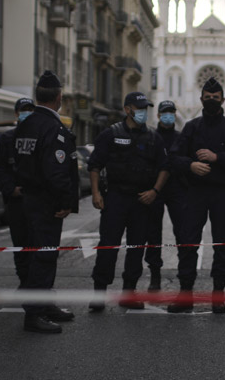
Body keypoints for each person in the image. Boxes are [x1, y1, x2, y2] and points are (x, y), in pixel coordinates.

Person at [168, 77, 225, 314]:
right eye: (207, 98)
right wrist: (191, 166)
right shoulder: (192, 127)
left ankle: (218, 293)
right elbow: (174, 158)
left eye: (215, 98)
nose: (211, 101)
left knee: (221, 244)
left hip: (222, 194)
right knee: (188, 243)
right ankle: (185, 294)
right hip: (194, 193)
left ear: (223, 100)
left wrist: (218, 158)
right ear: (201, 99)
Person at [88, 92, 169, 311]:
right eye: (139, 108)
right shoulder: (111, 134)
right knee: (108, 247)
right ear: (127, 109)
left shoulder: (154, 137)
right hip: (115, 198)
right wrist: (96, 193)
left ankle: (129, 292)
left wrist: (154, 191)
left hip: (141, 201)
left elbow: (164, 167)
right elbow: (94, 165)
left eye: (145, 108)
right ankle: (99, 293)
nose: (144, 112)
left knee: (136, 248)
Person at [13, 71, 79, 334]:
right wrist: (65, 201)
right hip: (45, 202)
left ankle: (44, 304)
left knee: (38, 255)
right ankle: (34, 314)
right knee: (43, 257)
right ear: (59, 97)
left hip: (29, 200)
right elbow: (56, 171)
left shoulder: (26, 124)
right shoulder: (52, 128)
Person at [0, 97, 35, 287]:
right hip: (16, 202)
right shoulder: (7, 139)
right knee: (21, 244)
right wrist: (11, 189)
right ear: (17, 113)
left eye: (30, 109)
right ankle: (25, 281)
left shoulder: (40, 136)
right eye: (24, 110)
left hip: (37, 201)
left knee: (40, 245)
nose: (27, 113)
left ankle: (38, 284)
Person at [144, 100, 187, 291]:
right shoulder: (151, 136)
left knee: (183, 232)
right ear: (159, 115)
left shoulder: (181, 137)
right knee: (153, 234)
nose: (168, 116)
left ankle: (185, 273)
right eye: (165, 112)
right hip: (156, 189)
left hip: (177, 190)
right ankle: (155, 274)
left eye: (171, 112)